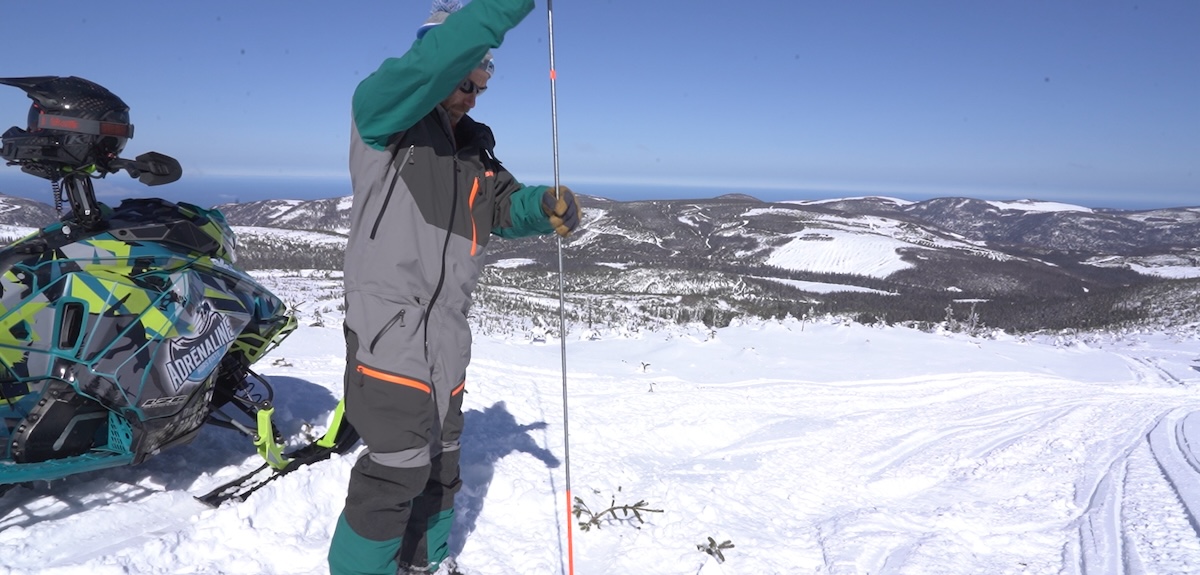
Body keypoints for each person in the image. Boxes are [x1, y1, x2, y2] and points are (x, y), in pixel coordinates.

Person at [328, 0, 581, 573]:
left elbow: (503, 208)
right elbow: (433, 63)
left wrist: (545, 206)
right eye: (463, 81)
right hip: (386, 327)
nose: (470, 95)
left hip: (447, 334)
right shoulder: (385, 112)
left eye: (480, 86)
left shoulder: (473, 151)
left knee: (441, 467)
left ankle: (426, 563)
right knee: (396, 470)